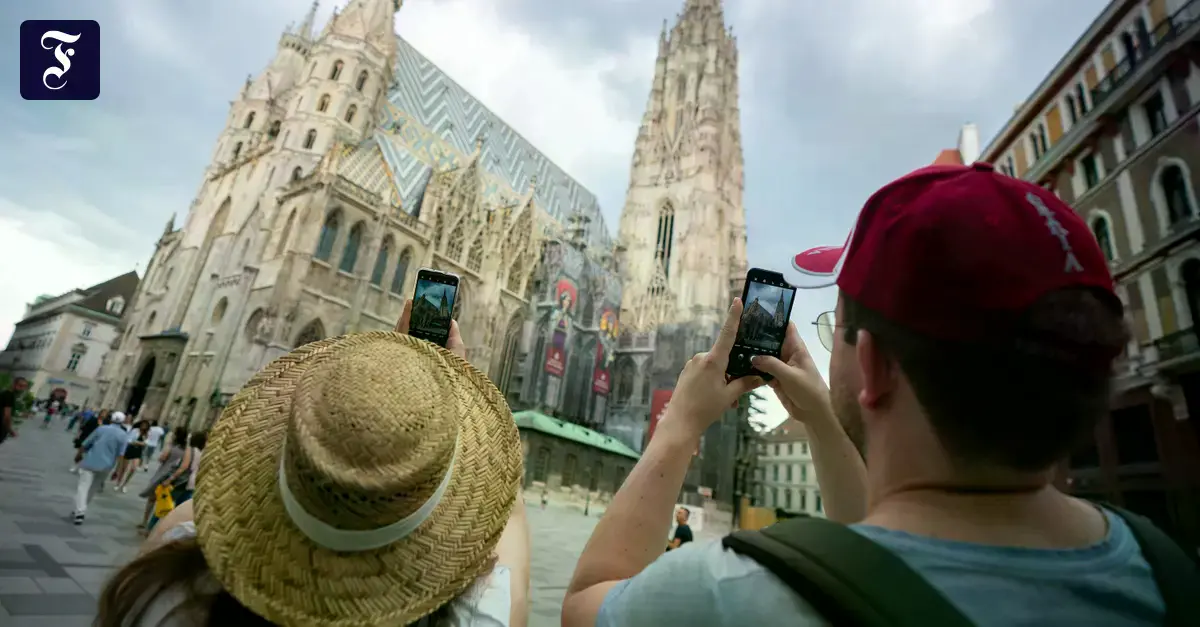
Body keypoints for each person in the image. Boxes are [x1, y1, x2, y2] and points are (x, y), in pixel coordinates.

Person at [563, 163, 1193, 626]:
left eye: (834, 326)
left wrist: (680, 425)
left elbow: (587, 601)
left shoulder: (737, 594)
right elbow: (868, 540)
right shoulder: (1166, 576)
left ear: (874, 366)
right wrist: (822, 416)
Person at [96, 298, 532, 626]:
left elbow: (205, 503)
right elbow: (508, 517)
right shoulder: (481, 616)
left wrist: (365, 388)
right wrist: (438, 389)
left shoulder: (157, 590)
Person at [74, 411, 132, 525]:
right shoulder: (123, 435)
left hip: (91, 461)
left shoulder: (101, 429)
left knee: (83, 487)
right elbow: (121, 455)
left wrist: (78, 455)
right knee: (93, 488)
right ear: (123, 421)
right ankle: (81, 509)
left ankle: (80, 511)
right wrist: (117, 471)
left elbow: (86, 443)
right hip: (106, 466)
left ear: (111, 419)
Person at [138, 426, 189, 532]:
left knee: (152, 498)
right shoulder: (186, 449)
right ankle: (156, 524)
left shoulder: (172, 446)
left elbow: (162, 458)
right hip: (173, 476)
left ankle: (145, 521)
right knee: (164, 500)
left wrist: (167, 446)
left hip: (162, 474)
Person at [116, 421, 150, 492]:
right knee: (124, 469)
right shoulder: (135, 430)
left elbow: (146, 443)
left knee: (133, 468)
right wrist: (138, 442)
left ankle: (125, 484)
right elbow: (129, 439)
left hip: (138, 452)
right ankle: (118, 483)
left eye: (145, 425)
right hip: (130, 449)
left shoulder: (146, 434)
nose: (143, 426)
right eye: (143, 424)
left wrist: (140, 442)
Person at [0, 376, 28, 446]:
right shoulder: (9, 395)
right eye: (20, 386)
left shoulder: (5, 393)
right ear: (14, 385)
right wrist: (10, 430)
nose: (22, 388)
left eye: (24, 386)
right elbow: (7, 416)